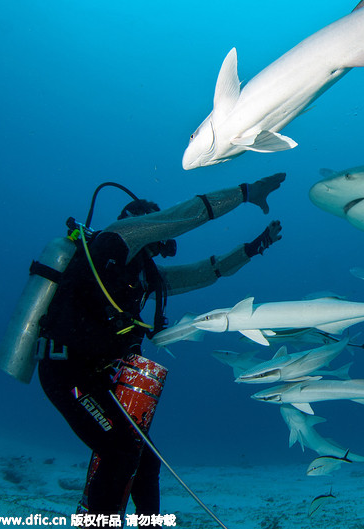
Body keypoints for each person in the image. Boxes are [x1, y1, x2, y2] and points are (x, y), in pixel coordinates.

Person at [37, 173, 286, 518]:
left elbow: (205, 272)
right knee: (121, 451)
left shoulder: (140, 274)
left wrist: (255, 247)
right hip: (67, 371)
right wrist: (245, 193)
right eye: (154, 229)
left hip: (95, 376)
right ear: (141, 224)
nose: (159, 238)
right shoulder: (116, 239)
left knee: (144, 458)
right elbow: (185, 215)